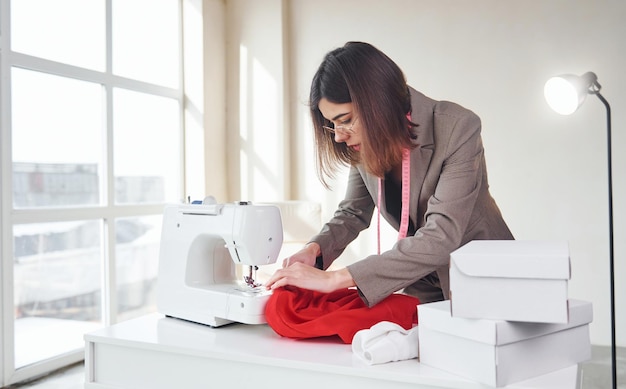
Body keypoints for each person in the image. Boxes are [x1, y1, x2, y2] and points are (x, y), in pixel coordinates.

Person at [266, 41, 514, 307]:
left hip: (484, 276)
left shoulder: (457, 127)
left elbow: (441, 237)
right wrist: (314, 251)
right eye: (332, 125)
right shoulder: (365, 142)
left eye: (346, 119)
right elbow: (352, 214)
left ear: (378, 103)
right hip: (421, 279)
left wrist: (334, 279)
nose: (338, 136)